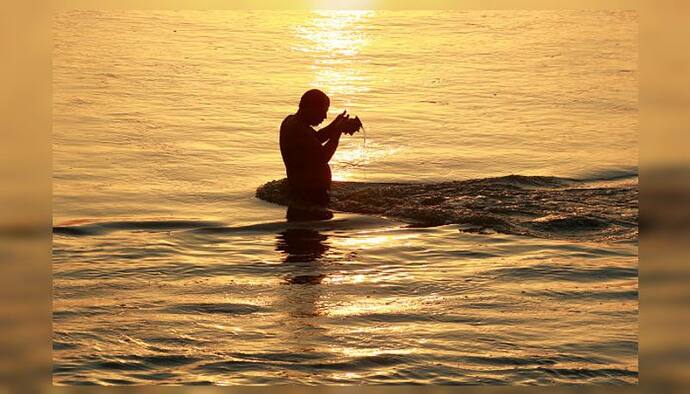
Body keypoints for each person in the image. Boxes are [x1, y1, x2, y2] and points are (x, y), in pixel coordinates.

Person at [279, 89, 358, 220]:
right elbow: (323, 157)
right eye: (323, 111)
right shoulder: (297, 129)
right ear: (310, 108)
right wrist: (337, 132)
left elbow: (315, 138)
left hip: (307, 192)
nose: (325, 116)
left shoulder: (293, 122)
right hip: (309, 194)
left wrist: (334, 125)